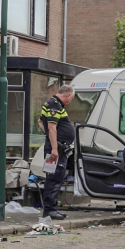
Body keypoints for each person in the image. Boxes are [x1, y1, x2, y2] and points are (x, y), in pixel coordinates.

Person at [37, 84, 76, 220]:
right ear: (67, 95)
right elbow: (52, 128)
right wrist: (55, 147)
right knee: (54, 179)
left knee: (52, 178)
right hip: (56, 151)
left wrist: (52, 139)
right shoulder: (55, 105)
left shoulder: (51, 104)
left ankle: (50, 209)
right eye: (71, 99)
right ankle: (50, 210)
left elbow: (41, 122)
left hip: (56, 148)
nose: (70, 102)